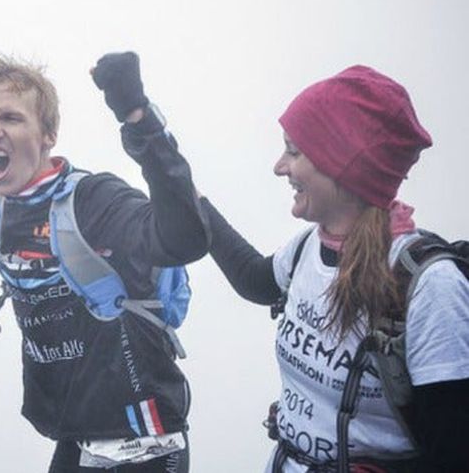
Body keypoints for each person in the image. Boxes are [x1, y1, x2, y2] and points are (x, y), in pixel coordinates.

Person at [201, 65, 469, 471]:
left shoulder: (430, 286)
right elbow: (254, 279)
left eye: (294, 151)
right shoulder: (308, 246)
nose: (279, 166)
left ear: (340, 165)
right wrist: (182, 187)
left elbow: (454, 453)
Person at [0, 52, 210, 472]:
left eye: (10, 118)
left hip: (147, 443)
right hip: (77, 437)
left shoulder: (95, 201)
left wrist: (138, 117)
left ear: (49, 134)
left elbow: (185, 239)